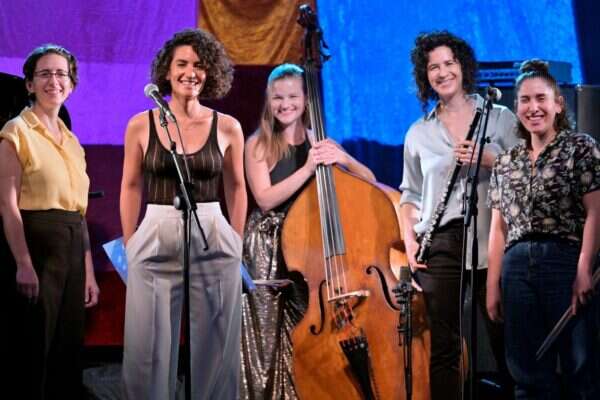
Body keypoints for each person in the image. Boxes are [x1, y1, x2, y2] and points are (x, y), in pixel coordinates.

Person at [120, 28, 246, 400]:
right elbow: (130, 186)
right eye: (182, 64)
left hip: (212, 231)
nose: (190, 72)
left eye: (199, 65)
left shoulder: (228, 126)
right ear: (167, 70)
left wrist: (235, 239)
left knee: (216, 344)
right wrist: (130, 243)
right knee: (148, 347)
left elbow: (237, 187)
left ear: (210, 73)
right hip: (156, 228)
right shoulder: (140, 123)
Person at [240, 63, 375, 399]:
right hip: (269, 247)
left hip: (310, 245)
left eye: (293, 97)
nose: (285, 104)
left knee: (309, 327)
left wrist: (343, 159)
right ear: (268, 100)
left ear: (306, 100)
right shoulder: (258, 144)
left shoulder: (319, 140)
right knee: (267, 336)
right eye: (278, 97)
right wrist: (308, 168)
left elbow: (370, 182)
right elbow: (265, 199)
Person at [398, 31, 519, 400]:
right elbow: (409, 195)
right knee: (444, 347)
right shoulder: (418, 133)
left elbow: (527, 171)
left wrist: (490, 159)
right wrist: (409, 240)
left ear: (463, 66)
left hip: (494, 237)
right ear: (425, 76)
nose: (442, 72)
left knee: (505, 341)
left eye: (449, 63)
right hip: (441, 244)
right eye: (433, 67)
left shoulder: (498, 118)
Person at [486, 59, 600, 399]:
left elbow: (595, 211)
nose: (533, 107)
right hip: (516, 266)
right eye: (525, 100)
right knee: (527, 371)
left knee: (579, 366)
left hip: (563, 259)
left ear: (558, 104)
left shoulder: (580, 147)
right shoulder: (506, 162)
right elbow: (498, 228)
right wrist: (492, 284)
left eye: (541, 98)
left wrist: (584, 269)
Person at [0, 44, 100, 400]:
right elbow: (8, 204)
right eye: (44, 73)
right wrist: (23, 263)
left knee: (67, 346)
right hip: (38, 243)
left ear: (70, 85)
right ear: (29, 84)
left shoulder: (73, 142)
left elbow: (79, 211)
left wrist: (88, 271)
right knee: (34, 345)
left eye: (61, 74)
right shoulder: (16, 131)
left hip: (72, 244)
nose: (53, 81)